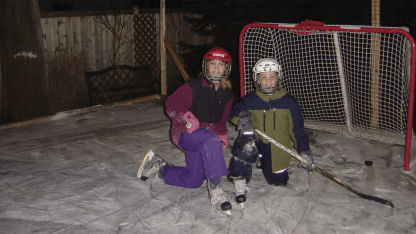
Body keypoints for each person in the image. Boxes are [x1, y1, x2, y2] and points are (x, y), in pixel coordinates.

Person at [136, 47, 234, 216]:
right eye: (213, 64)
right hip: (185, 132)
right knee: (211, 140)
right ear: (205, 67)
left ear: (226, 69)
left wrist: (222, 132)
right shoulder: (194, 86)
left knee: (194, 180)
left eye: (220, 65)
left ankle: (160, 167)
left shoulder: (227, 94)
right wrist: (187, 117)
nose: (216, 68)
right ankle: (217, 191)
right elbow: (171, 103)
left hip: (205, 139)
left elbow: (222, 119)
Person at [227, 58, 313, 208]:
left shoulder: (289, 101)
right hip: (257, 141)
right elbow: (233, 113)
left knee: (277, 181)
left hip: (278, 147)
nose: (268, 81)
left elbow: (297, 128)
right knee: (246, 138)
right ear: (257, 80)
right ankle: (240, 178)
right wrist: (242, 117)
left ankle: (264, 161)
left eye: (272, 76)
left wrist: (304, 151)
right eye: (263, 77)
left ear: (278, 78)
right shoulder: (250, 100)